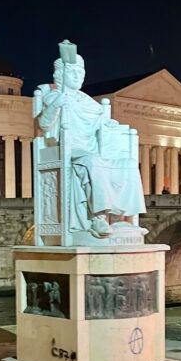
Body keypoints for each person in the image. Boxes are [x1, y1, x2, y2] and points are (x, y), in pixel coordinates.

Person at [35, 42, 145, 238]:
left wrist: (109, 125)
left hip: (94, 149)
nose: (78, 77)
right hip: (69, 149)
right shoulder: (54, 96)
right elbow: (44, 125)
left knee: (128, 163)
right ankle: (98, 218)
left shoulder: (89, 102)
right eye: (73, 73)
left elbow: (101, 124)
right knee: (92, 162)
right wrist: (56, 105)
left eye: (81, 73)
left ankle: (126, 219)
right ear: (61, 75)